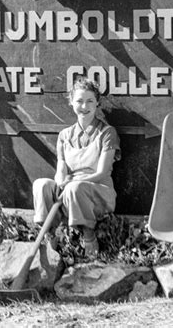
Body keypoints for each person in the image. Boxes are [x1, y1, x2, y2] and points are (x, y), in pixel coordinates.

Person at [32, 77, 120, 256]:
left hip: (97, 194)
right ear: (71, 102)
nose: (84, 106)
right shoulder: (64, 135)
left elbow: (101, 172)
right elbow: (61, 169)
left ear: (97, 104)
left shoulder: (107, 133)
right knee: (41, 184)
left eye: (90, 101)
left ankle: (89, 236)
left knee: (75, 188)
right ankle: (50, 235)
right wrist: (61, 181)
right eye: (79, 101)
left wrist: (72, 184)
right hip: (70, 193)